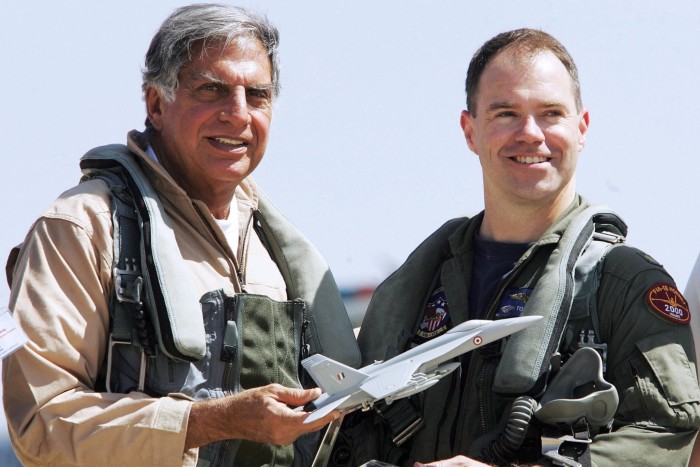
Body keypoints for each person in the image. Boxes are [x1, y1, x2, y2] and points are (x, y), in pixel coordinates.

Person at [2, 4, 359, 466]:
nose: (238, 114)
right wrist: (210, 421)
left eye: (257, 95)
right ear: (156, 104)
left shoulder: (278, 253)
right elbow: (39, 424)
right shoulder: (82, 228)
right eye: (211, 90)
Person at [335, 28, 700, 466]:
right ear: (470, 131)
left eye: (550, 113)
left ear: (581, 129)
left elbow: (667, 435)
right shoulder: (414, 287)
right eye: (506, 113)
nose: (530, 134)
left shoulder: (625, 285)